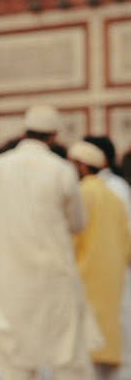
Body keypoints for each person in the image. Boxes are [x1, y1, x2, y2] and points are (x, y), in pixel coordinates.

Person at [0, 104, 99, 379]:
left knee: (14, 363)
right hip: (53, 280)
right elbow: (78, 222)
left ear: (24, 132)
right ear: (53, 136)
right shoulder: (61, 170)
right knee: (66, 360)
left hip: (9, 281)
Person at [68, 141, 130, 380]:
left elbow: (70, 240)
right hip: (115, 287)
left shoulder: (82, 193)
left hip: (84, 284)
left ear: (82, 167)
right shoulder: (113, 196)